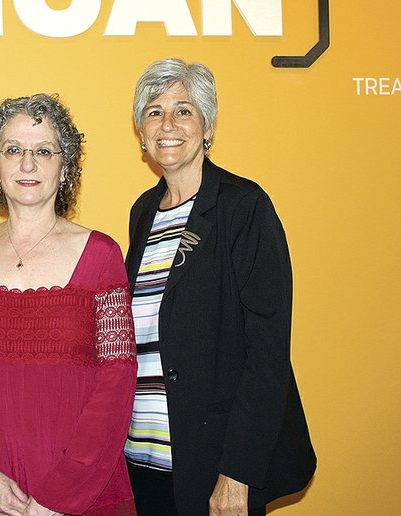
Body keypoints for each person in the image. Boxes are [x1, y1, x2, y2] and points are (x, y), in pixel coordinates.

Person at [0, 94, 138, 516]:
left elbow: (116, 382)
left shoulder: (101, 255)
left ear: (65, 168)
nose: (28, 164)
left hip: (82, 497)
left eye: (43, 151)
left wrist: (60, 495)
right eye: (13, 150)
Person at [124, 58, 316, 515]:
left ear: (207, 127)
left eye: (183, 110)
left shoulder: (244, 207)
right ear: (142, 135)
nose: (167, 124)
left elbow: (267, 355)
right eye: (154, 111)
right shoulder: (142, 213)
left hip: (213, 464)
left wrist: (238, 473)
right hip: (141, 460)